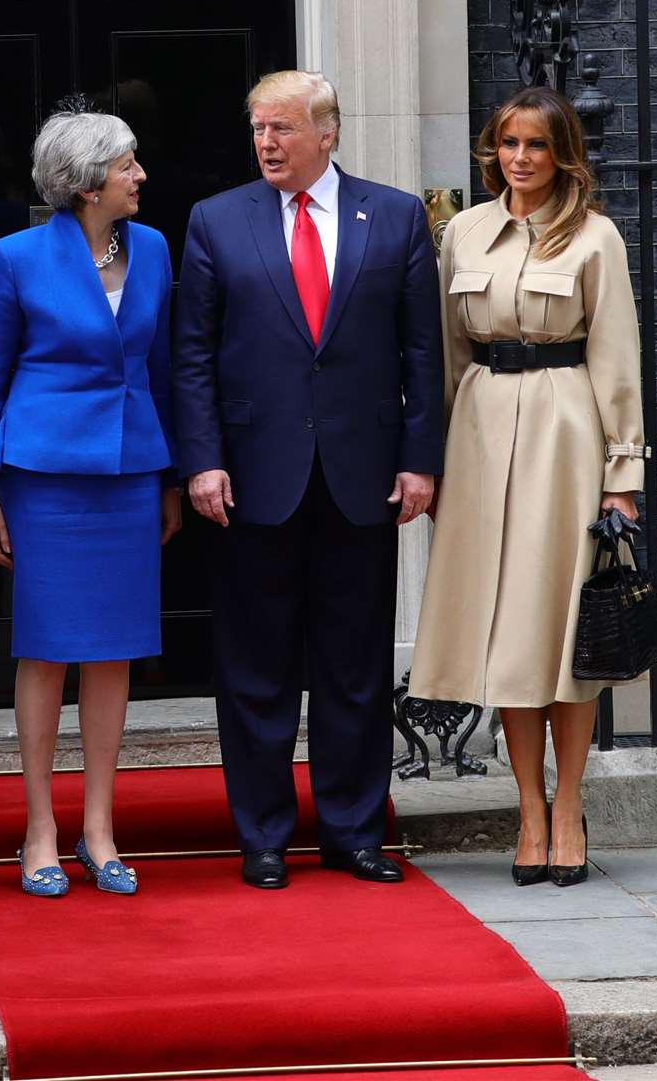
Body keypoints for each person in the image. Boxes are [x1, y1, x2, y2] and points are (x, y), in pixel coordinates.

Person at [173, 70, 444, 889]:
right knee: (254, 666)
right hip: (252, 479)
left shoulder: (393, 216)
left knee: (354, 665)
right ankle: (261, 836)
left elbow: (423, 354)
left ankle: (353, 831)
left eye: (283, 128)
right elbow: (191, 354)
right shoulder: (217, 220)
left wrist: (420, 459)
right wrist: (202, 458)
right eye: (258, 128)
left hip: (361, 474)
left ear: (328, 133)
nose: (266, 143)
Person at [408, 86, 648, 888]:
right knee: (510, 631)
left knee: (563, 626)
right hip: (478, 434)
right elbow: (445, 356)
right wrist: (433, 462)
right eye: (509, 143)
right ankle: (530, 810)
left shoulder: (596, 237)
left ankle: (571, 804)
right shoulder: (465, 232)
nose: (520, 158)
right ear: (492, 149)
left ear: (562, 154)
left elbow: (616, 362)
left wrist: (623, 478)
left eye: (537, 145)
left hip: (563, 430)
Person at [0, 107, 181, 899]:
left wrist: (167, 475)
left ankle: (100, 827)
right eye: (128, 165)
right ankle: (38, 828)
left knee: (114, 646)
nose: (141, 176)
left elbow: (161, 369)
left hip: (130, 471)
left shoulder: (156, 249)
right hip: (44, 475)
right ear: (90, 180)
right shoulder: (18, 257)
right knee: (47, 645)